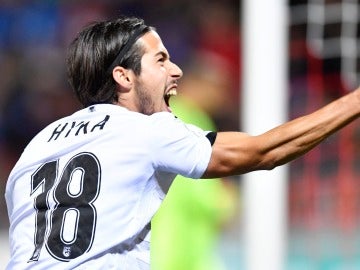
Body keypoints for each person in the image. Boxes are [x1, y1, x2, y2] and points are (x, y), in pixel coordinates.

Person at [4, 15, 360, 270]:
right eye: (161, 60)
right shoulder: (146, 130)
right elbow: (264, 152)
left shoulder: (35, 149)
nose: (176, 71)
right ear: (123, 76)